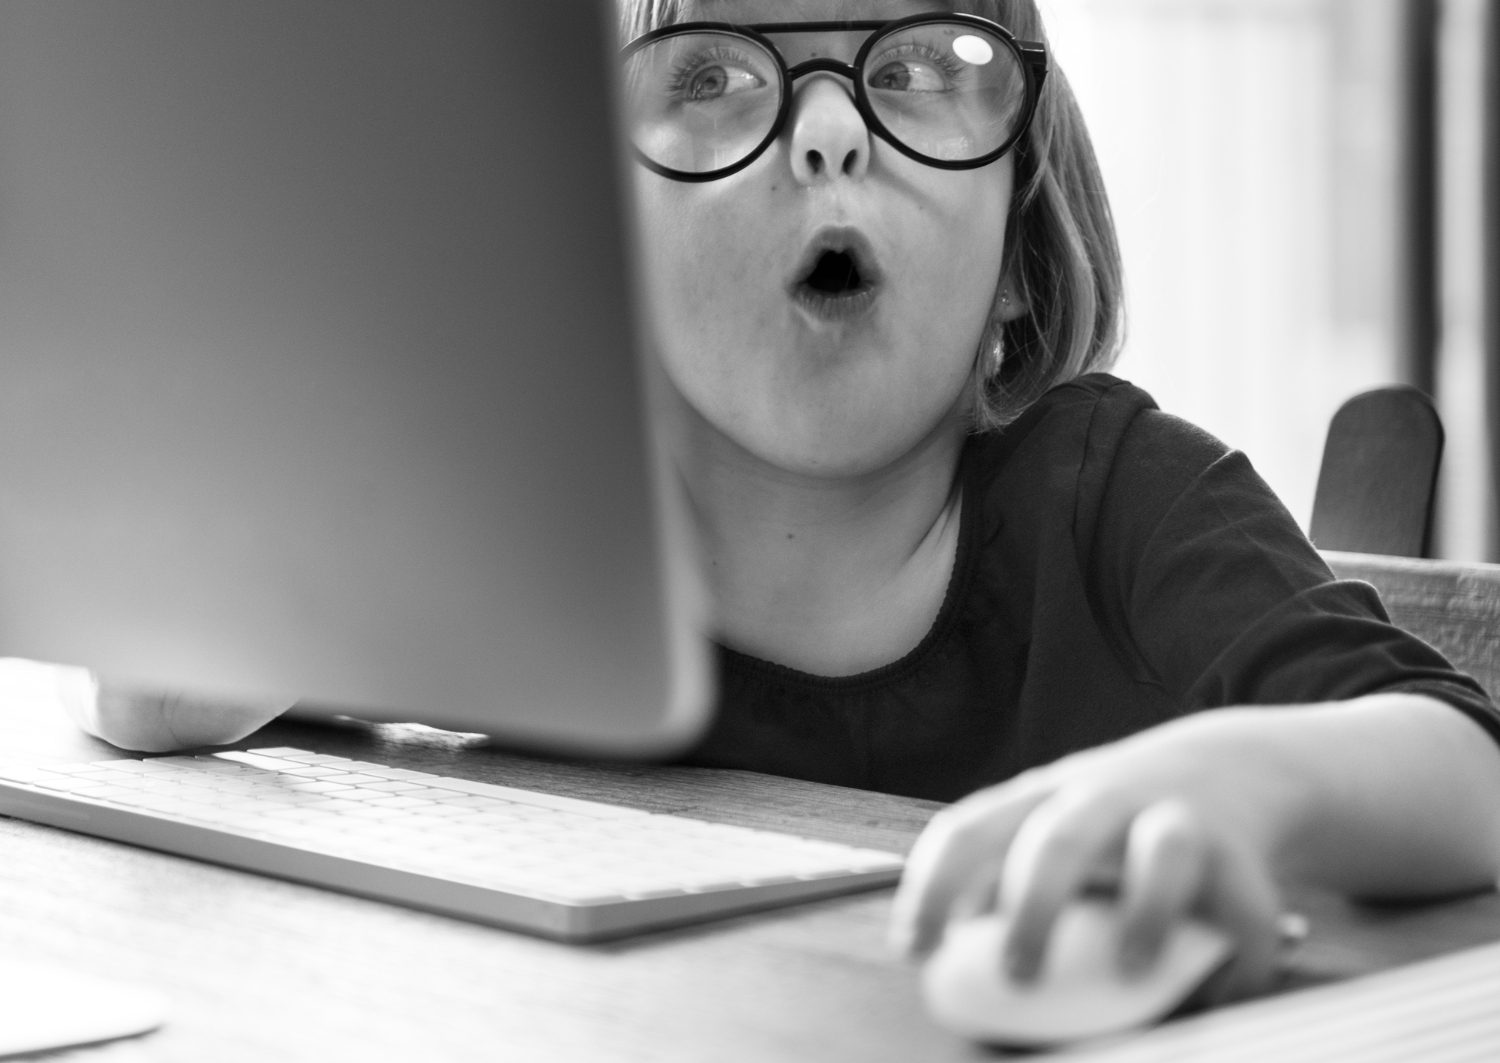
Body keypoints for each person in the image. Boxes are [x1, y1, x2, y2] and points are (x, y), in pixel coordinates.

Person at [73, 0, 1500, 1011]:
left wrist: (1235, 786)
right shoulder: (548, 546)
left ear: (1020, 250)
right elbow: (146, 694)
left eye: (925, 65)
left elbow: (1472, 769)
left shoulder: (1115, 492)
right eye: (712, 78)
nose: (825, 132)